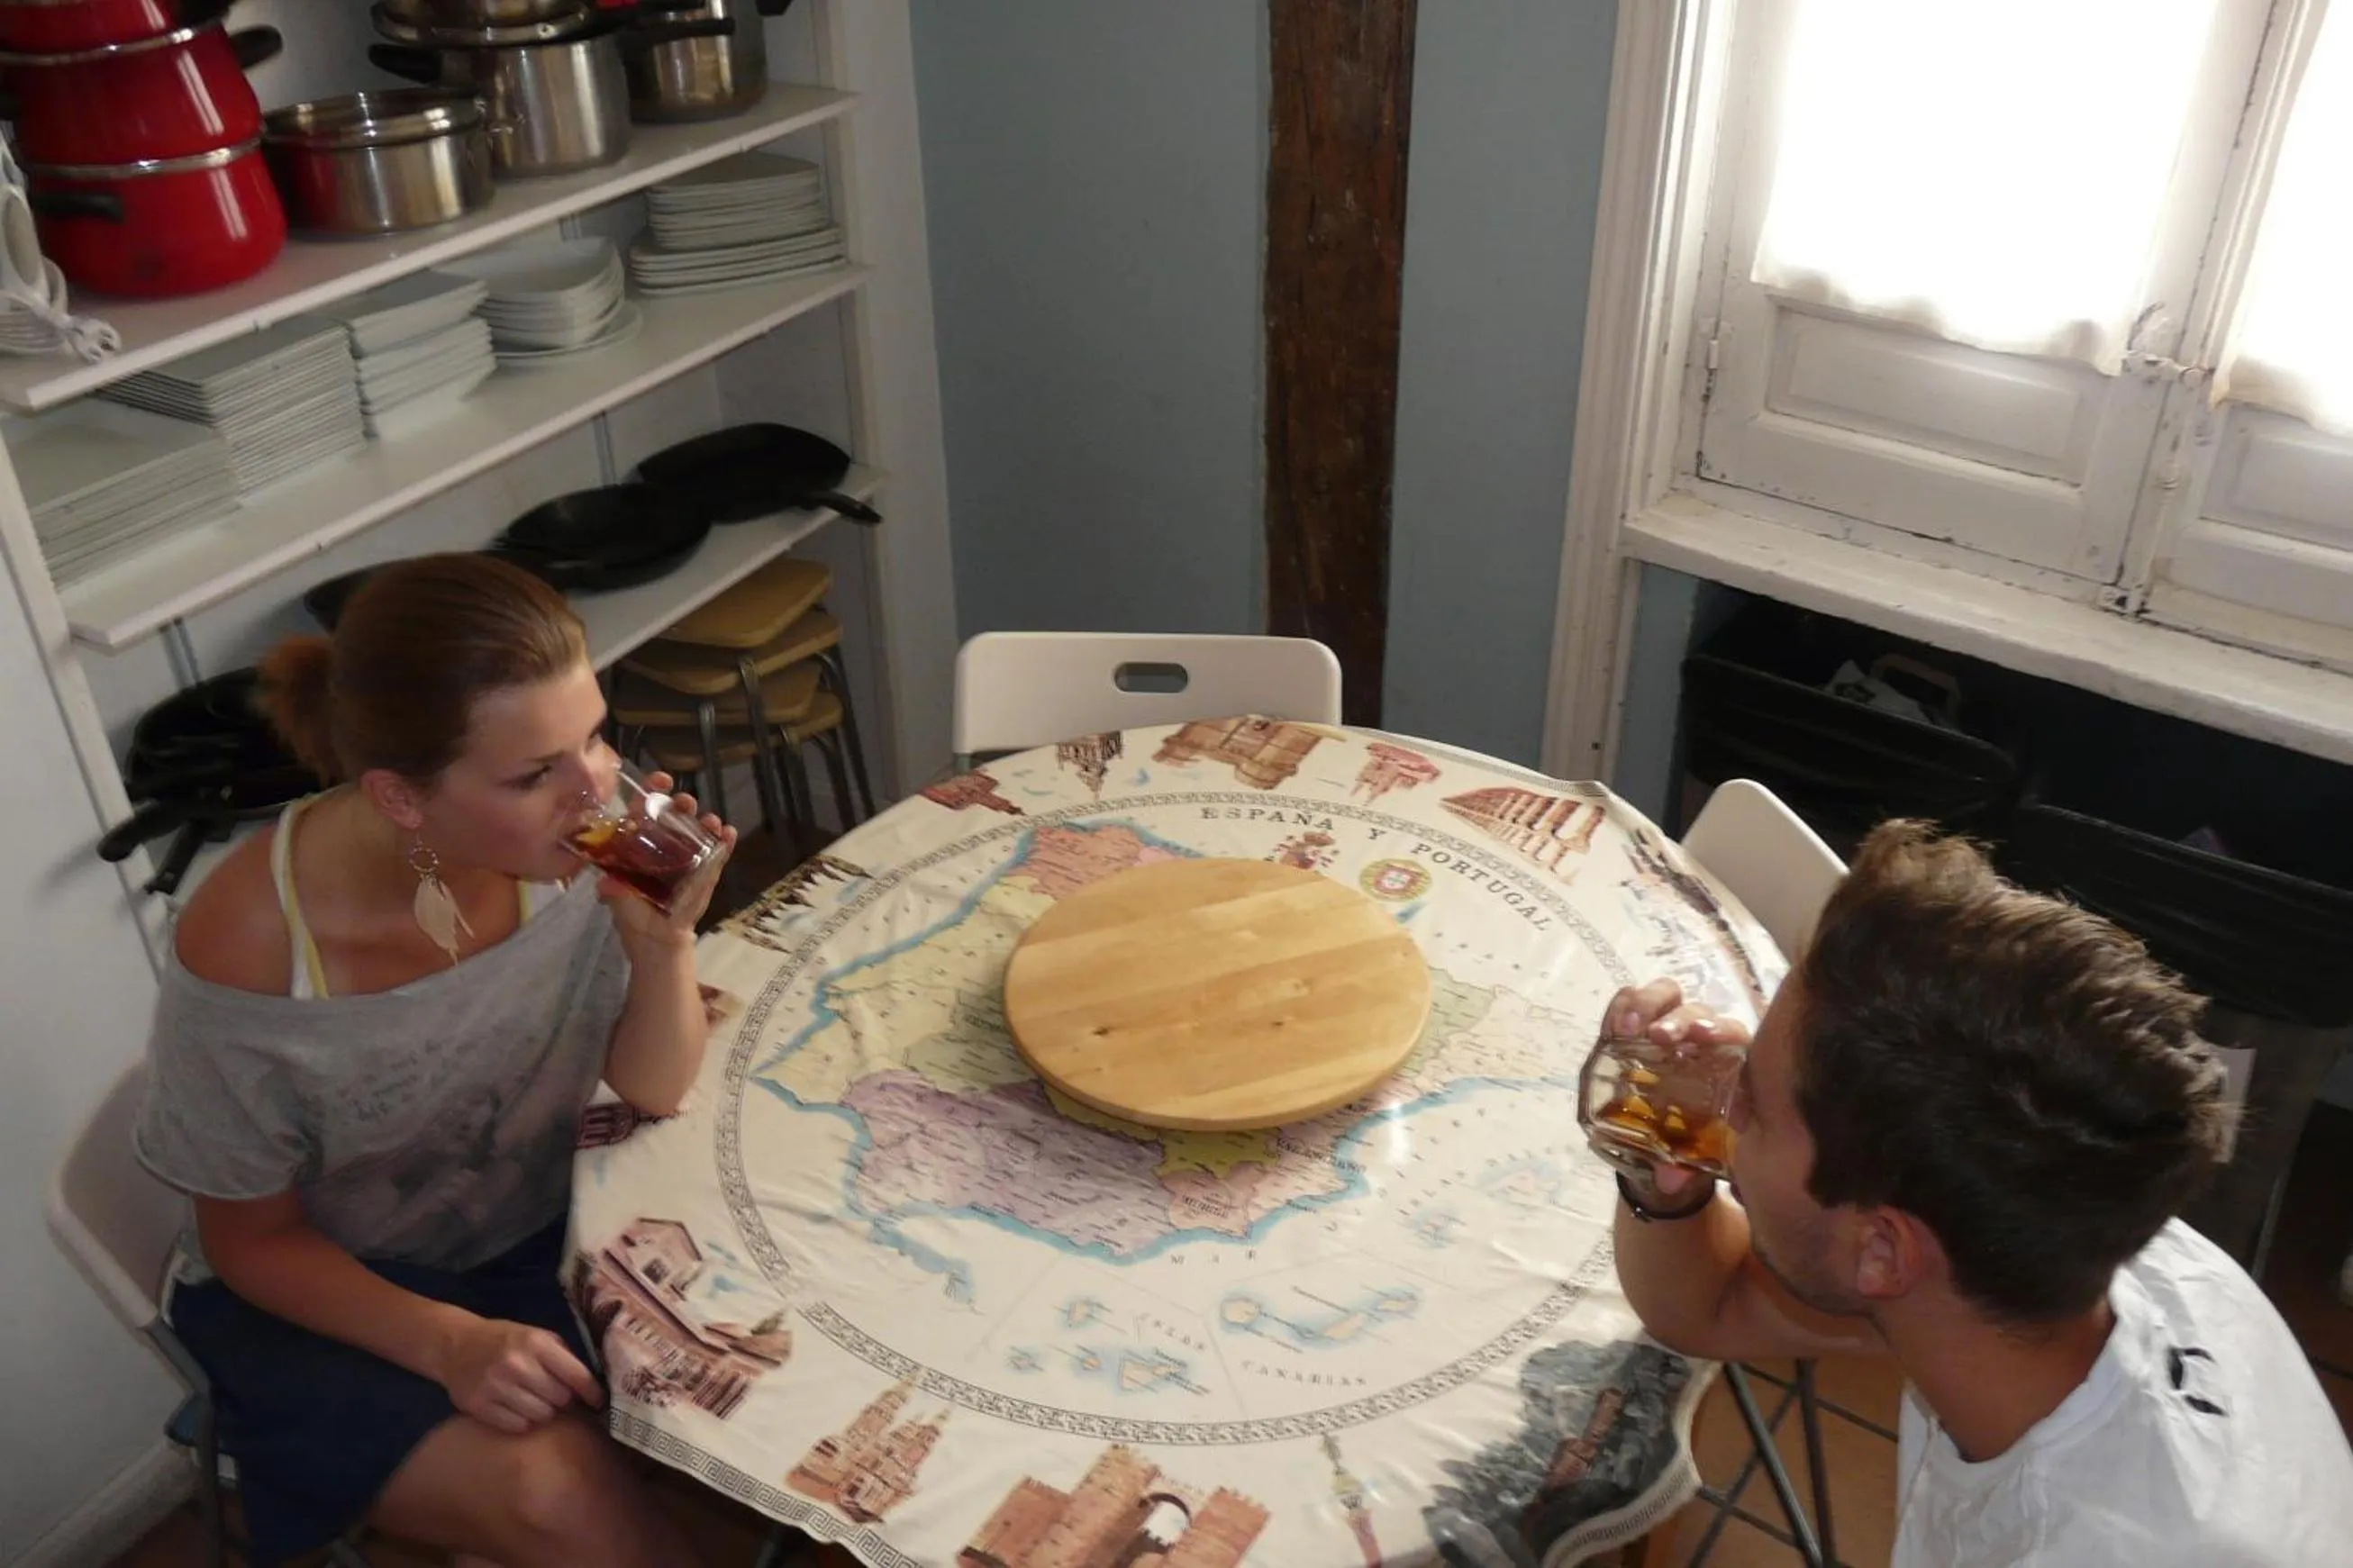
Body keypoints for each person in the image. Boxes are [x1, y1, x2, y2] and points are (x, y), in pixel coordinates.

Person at [134, 555, 738, 1567]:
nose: (594, 787)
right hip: (338, 1293)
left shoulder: (583, 843)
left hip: (537, 1227)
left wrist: (659, 943)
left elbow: (652, 1086)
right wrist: (448, 1343)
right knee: (561, 1499)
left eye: (592, 734)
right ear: (402, 800)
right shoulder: (253, 946)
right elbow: (250, 1242)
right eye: (532, 771)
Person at [1597, 820, 2353, 1567]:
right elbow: (1708, 1306)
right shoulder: (2045, 1257)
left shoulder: (2095, 1542)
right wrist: (1660, 1171)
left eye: (1751, 1106)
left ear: (1884, 1250)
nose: (1720, 1111)